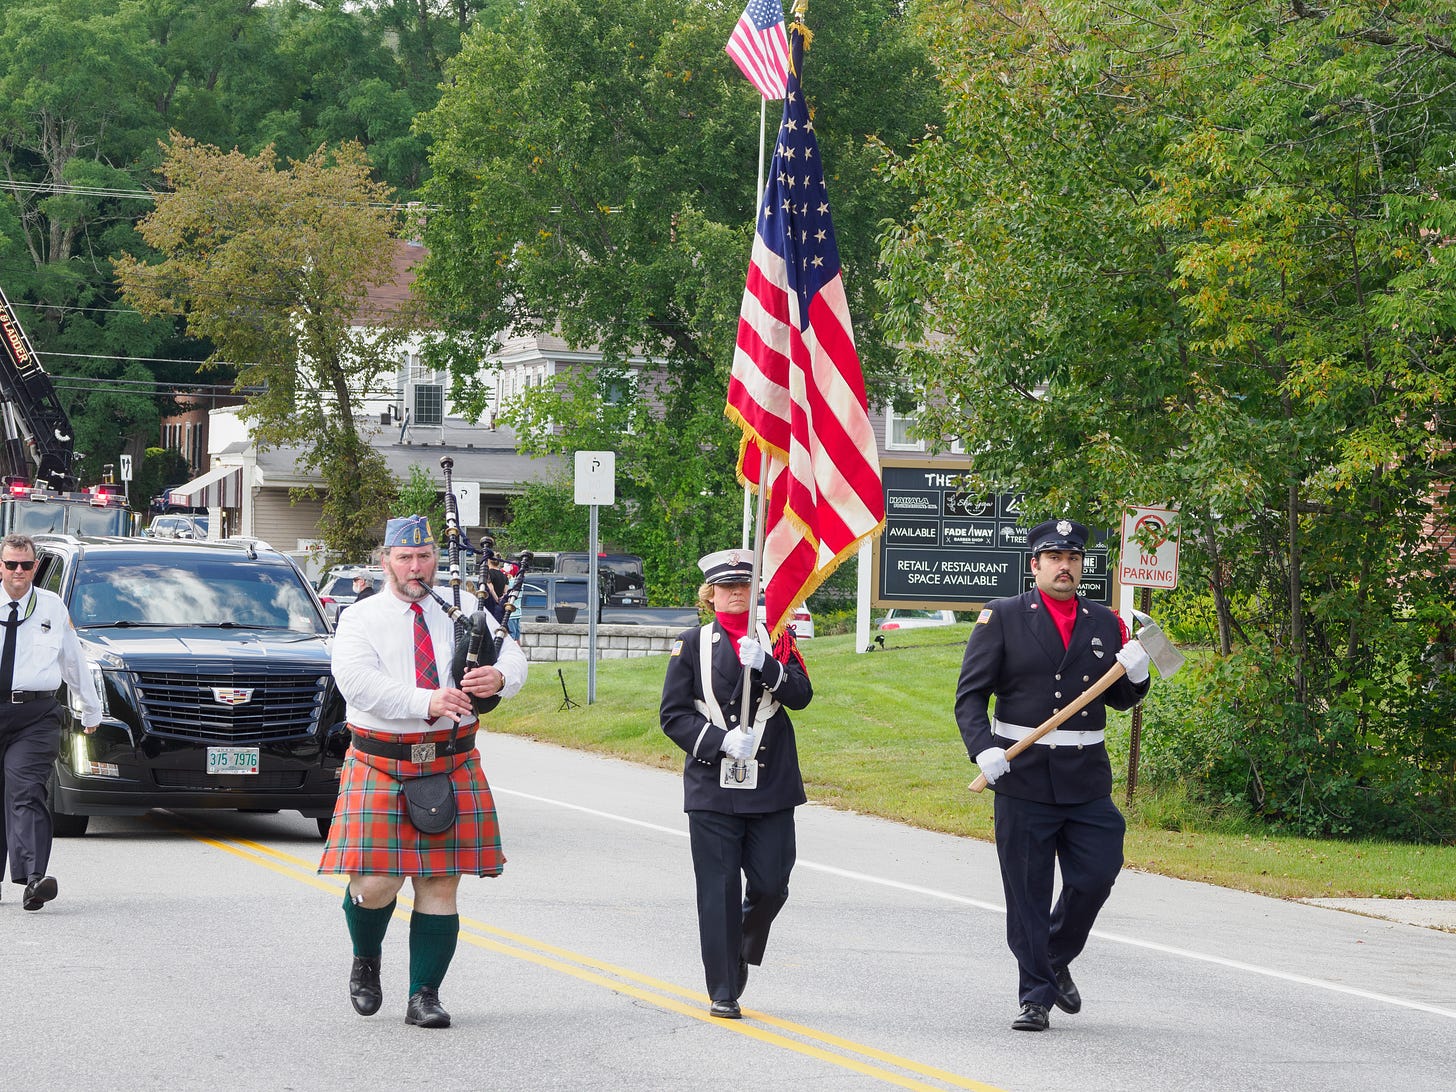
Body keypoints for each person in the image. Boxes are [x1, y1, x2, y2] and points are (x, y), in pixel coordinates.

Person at [320, 515, 527, 1028]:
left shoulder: (466, 610)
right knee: (375, 884)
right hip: (381, 761)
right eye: (405, 557)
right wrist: (427, 699)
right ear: (385, 560)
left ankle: (424, 995)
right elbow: (357, 685)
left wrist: (499, 675)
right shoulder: (360, 618)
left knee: (440, 882)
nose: (416, 567)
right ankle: (366, 958)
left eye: (425, 556)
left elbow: (516, 655)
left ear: (436, 558)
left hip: (450, 758)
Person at [955, 518, 1152, 1032]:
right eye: (1055, 558)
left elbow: (1118, 697)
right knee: (1028, 891)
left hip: (1085, 778)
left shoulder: (1105, 621)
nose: (1065, 567)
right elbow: (970, 697)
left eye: (1073, 559)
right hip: (1022, 775)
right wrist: (983, 750)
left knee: (1096, 874)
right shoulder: (1001, 617)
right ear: (1035, 565)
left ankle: (1053, 955)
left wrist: (1138, 675)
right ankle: (1035, 996)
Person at [659, 549, 813, 1019]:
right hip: (712, 784)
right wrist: (721, 742)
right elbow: (673, 715)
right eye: (726, 588)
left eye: (744, 587)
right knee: (718, 889)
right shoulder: (691, 644)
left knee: (771, 884)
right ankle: (723, 987)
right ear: (711, 595)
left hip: (770, 784)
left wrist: (768, 665)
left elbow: (802, 696)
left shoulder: (778, 638)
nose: (735, 594)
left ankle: (741, 942)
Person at [0, 534, 101, 910]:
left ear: (35, 567)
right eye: (11, 564)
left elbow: (73, 661)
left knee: (26, 790)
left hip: (36, 715)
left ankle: (34, 879)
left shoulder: (52, 607)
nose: (19, 572)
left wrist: (90, 710)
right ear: (1, 566)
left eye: (26, 565)